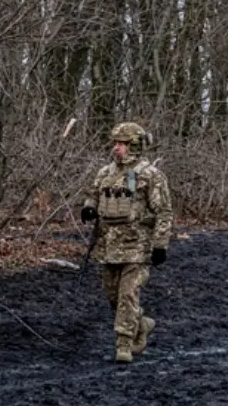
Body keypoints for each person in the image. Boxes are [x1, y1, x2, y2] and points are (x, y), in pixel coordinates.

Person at [82, 121, 173, 363]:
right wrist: (89, 208)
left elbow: (163, 211)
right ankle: (140, 324)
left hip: (137, 247)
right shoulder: (105, 173)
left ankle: (124, 344)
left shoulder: (150, 175)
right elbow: (92, 195)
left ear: (133, 145)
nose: (116, 148)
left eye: (121, 144)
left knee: (127, 295)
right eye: (115, 143)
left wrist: (160, 244)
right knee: (113, 296)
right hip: (109, 247)